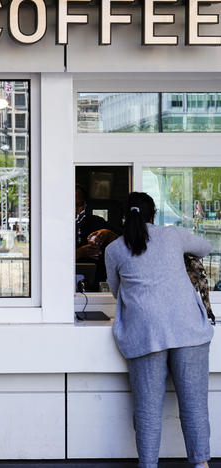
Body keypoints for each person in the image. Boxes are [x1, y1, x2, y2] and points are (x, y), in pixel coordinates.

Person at [105, 192, 213, 468]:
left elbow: (118, 292)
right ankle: (200, 465)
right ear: (154, 215)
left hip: (145, 333)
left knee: (147, 409)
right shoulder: (173, 235)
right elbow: (205, 247)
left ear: (123, 217)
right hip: (187, 329)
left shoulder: (115, 249)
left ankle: (148, 465)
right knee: (194, 405)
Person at [75, 184, 118, 290]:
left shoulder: (97, 222)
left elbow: (122, 244)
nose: (75, 210)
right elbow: (50, 258)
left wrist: (107, 234)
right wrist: (79, 252)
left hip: (96, 283)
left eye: (78, 205)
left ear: (85, 205)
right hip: (62, 282)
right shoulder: (56, 226)